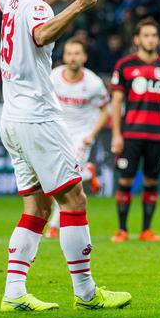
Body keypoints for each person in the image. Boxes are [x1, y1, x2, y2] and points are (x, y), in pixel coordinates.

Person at [0, 0, 130, 311]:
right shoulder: (37, 7)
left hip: (12, 120)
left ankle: (14, 293)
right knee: (74, 199)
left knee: (37, 207)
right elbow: (41, 34)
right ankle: (86, 293)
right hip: (37, 118)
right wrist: (78, 7)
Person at [110, 18, 160, 242]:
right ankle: (122, 230)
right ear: (137, 39)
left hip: (157, 134)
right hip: (131, 133)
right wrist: (116, 134)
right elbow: (116, 102)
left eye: (154, 35)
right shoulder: (124, 65)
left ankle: (146, 230)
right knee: (126, 181)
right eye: (146, 35)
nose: (150, 39)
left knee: (152, 181)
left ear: (158, 39)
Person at [45, 38, 109, 239]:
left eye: (77, 54)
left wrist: (91, 134)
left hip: (81, 136)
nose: (73, 58)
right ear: (64, 57)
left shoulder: (94, 83)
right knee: (57, 177)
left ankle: (54, 226)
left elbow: (105, 110)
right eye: (69, 53)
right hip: (58, 132)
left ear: (84, 57)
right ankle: (89, 173)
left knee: (66, 179)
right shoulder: (53, 77)